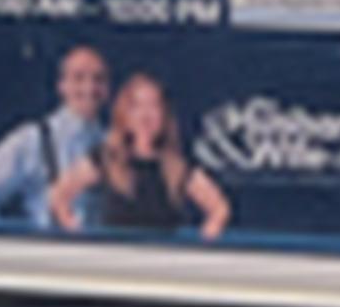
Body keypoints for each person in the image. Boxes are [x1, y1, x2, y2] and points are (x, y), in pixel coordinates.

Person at [0, 41, 111, 235]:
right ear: (62, 86)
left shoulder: (113, 145)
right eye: (78, 78)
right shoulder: (33, 139)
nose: (89, 88)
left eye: (99, 79)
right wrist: (8, 246)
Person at [68, 65, 233, 244]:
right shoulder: (107, 158)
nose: (145, 115)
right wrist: (78, 240)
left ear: (164, 115)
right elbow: (59, 195)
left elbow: (219, 208)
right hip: (116, 256)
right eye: (137, 106)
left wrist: (203, 244)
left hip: (163, 258)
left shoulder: (177, 167)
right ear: (125, 114)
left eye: (153, 106)